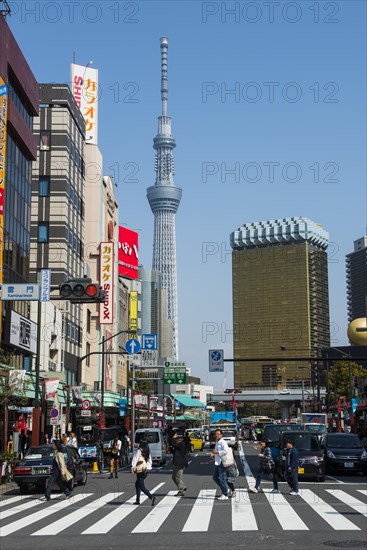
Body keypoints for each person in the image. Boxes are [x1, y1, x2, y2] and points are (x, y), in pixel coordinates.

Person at [131, 439, 155, 506]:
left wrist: (133, 467)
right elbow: (150, 461)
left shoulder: (139, 451)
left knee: (141, 486)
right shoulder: (147, 451)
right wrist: (147, 468)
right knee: (137, 484)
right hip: (145, 470)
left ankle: (151, 497)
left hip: (140, 470)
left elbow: (135, 459)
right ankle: (137, 500)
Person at [210, 428, 229, 500]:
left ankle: (225, 494)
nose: (216, 435)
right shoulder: (217, 441)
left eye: (218, 434)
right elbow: (216, 451)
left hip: (222, 462)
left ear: (221, 435)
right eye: (216, 434)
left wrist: (217, 452)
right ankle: (225, 489)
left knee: (222, 479)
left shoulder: (223, 442)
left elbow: (226, 451)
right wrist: (212, 454)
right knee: (214, 478)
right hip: (217, 462)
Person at [171, 429, 188, 496]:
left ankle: (182, 489)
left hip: (180, 463)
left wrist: (173, 438)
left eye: (177, 438)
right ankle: (182, 488)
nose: (176, 439)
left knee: (178, 477)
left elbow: (172, 444)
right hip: (177, 463)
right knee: (173, 477)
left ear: (179, 438)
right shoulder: (179, 444)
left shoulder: (181, 444)